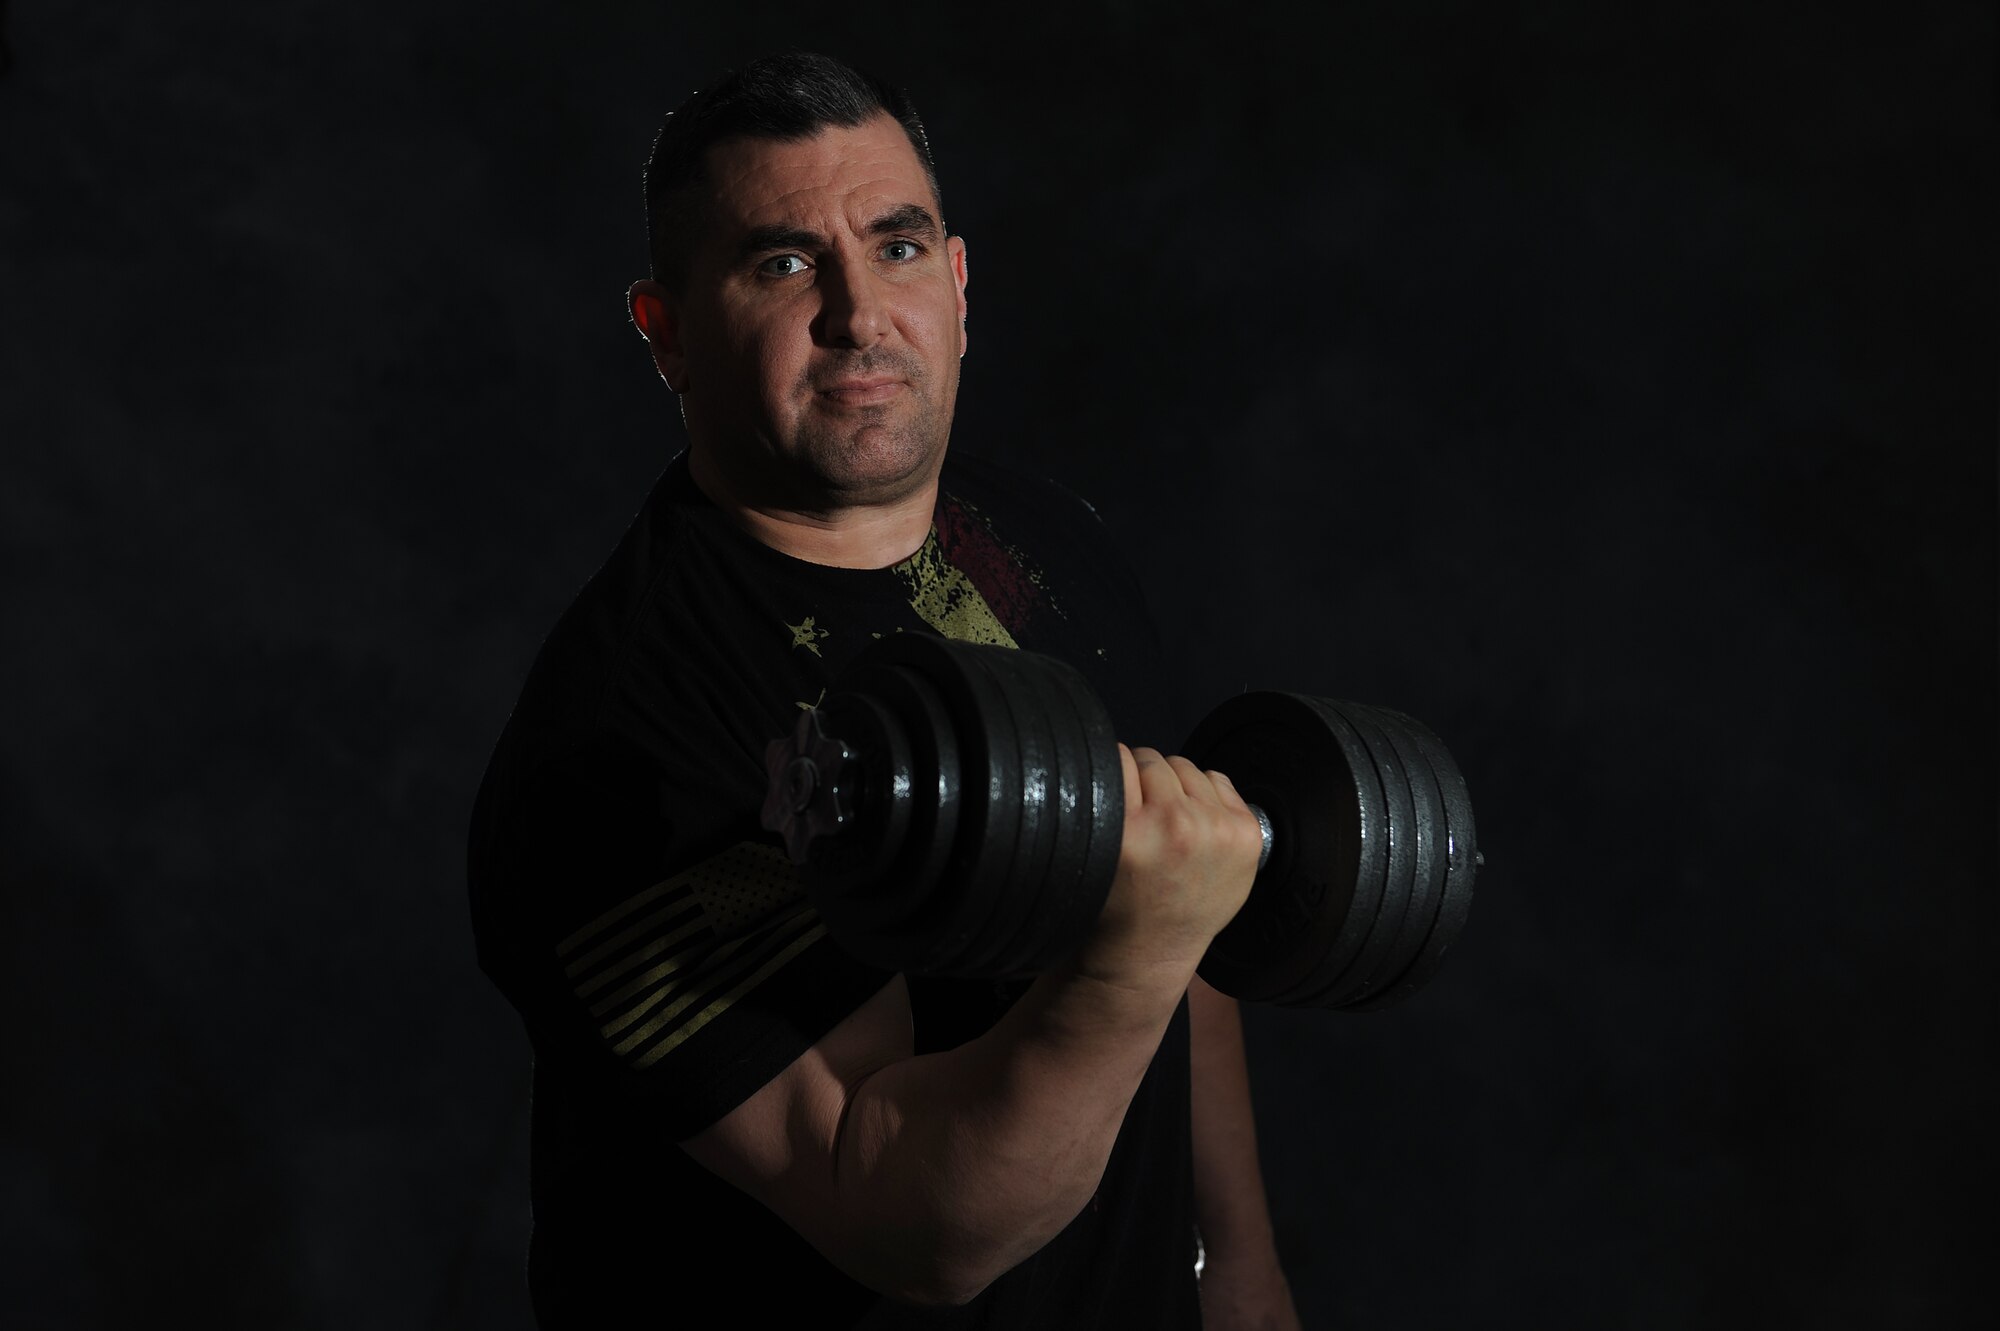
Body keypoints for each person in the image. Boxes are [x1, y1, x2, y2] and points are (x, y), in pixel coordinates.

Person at [468, 51, 1302, 1329]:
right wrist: (1136, 946)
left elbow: (1181, 866)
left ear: (958, 284)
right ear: (666, 334)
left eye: (898, 248)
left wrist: (1232, 1263)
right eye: (783, 263)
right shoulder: (619, 740)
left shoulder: (1041, 538)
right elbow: (909, 1221)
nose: (861, 313)